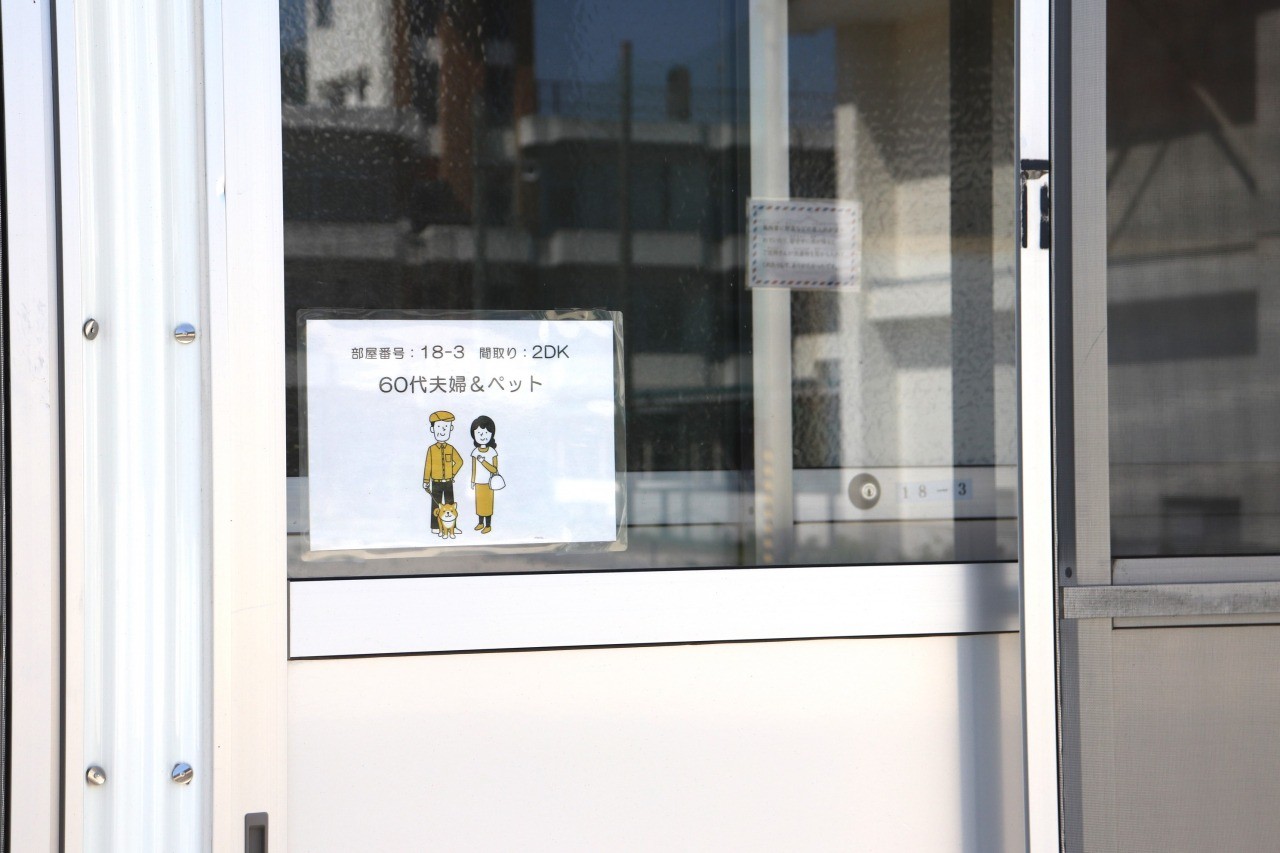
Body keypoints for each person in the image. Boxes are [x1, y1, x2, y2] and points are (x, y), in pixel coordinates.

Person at [422, 411, 463, 535]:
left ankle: (453, 527)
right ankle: (435, 527)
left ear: (451, 428)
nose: (442, 430)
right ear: (432, 429)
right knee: (436, 505)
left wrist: (452, 473)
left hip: (449, 482)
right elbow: (428, 466)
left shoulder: (451, 448)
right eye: (439, 427)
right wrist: (426, 481)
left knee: (451, 505)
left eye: (445, 427)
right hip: (436, 482)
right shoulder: (431, 449)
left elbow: (459, 461)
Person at [468, 415, 499, 534]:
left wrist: (483, 461)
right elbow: (473, 468)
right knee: (479, 504)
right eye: (479, 433)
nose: (482, 435)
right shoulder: (475, 452)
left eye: (486, 432)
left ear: (491, 434)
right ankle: (480, 523)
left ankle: (488, 525)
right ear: (474, 435)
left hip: (489, 483)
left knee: (488, 505)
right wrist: (472, 480)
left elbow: (494, 470)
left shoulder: (492, 452)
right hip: (478, 482)